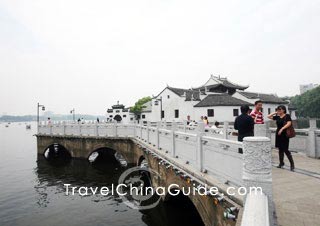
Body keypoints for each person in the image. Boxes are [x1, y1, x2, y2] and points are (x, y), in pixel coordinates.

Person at [268, 105, 295, 171]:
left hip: (284, 134)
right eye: (278, 109)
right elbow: (268, 116)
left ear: (283, 110)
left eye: (280, 110)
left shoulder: (287, 116)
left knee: (286, 149)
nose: (278, 111)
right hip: (278, 134)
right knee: (280, 149)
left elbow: (289, 123)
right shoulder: (278, 117)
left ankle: (292, 165)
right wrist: (275, 112)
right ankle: (281, 163)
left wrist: (282, 128)